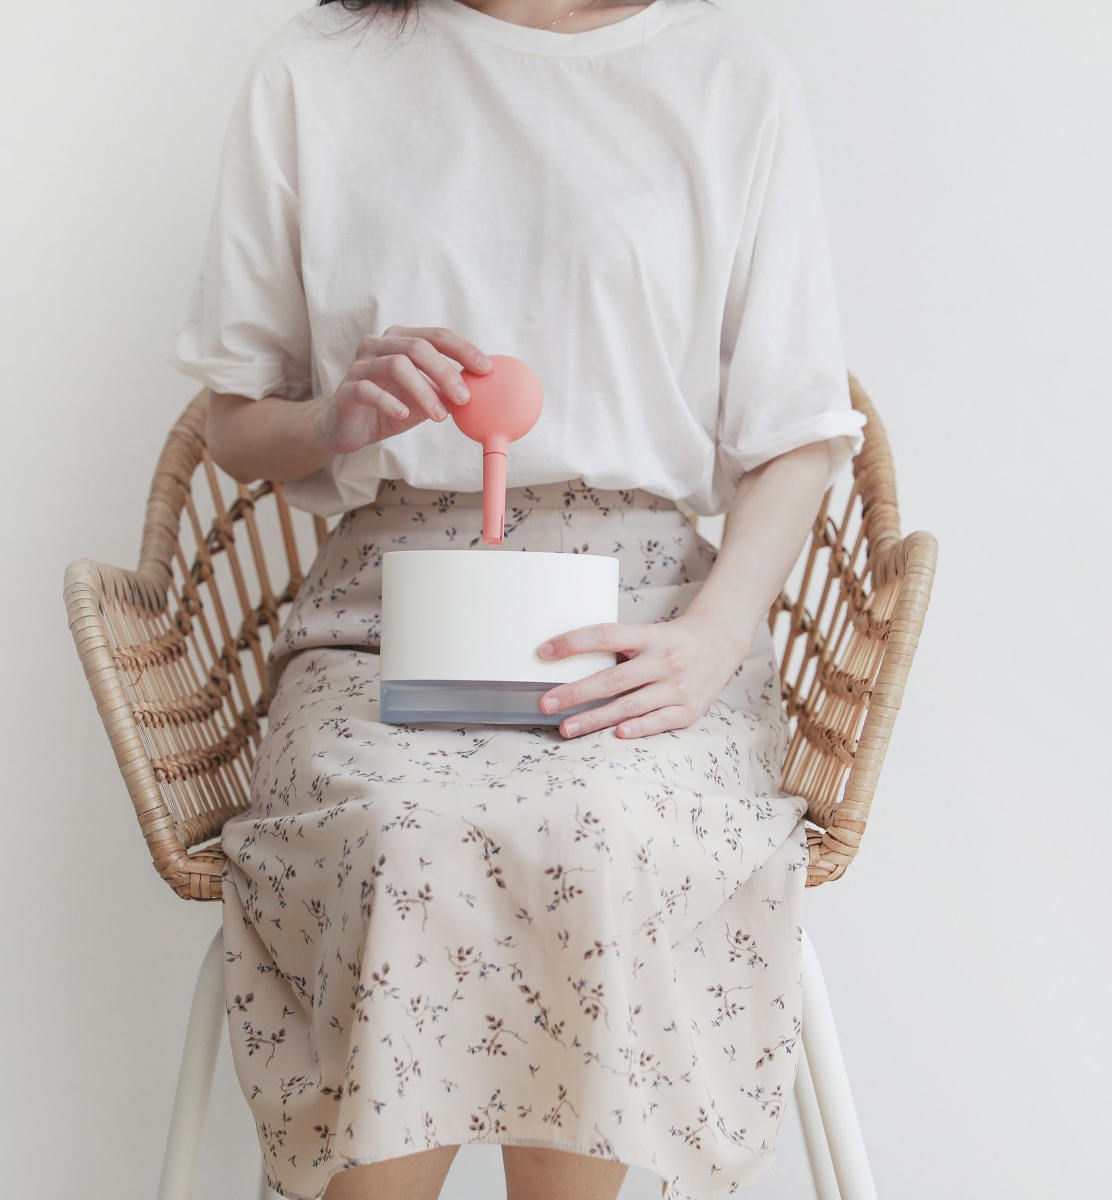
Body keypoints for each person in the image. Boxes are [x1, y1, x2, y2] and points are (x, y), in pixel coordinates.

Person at [166, 1, 867, 1197]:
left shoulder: (728, 78)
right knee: (399, 833)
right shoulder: (315, 73)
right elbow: (235, 422)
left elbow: (797, 433)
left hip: (647, 611)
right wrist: (337, 417)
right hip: (382, 612)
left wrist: (710, 636)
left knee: (602, 831)